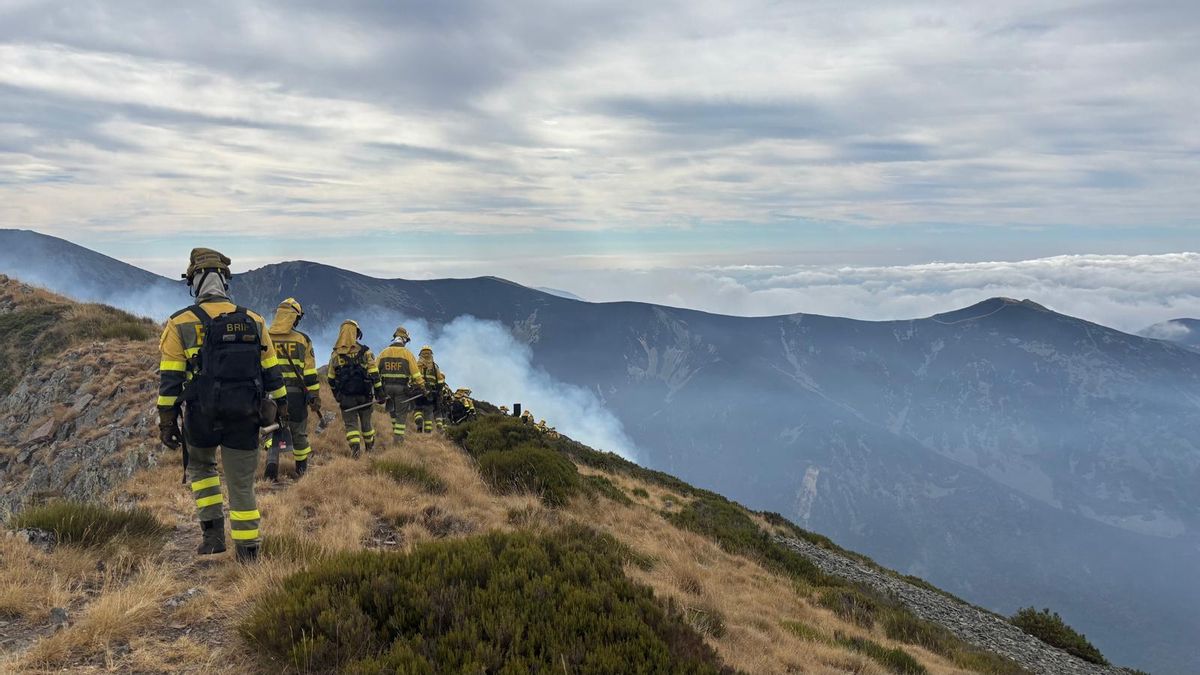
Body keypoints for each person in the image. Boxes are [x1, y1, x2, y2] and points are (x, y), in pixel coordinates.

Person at [157, 248, 287, 563]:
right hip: (245, 413)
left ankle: (212, 537)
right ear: (225, 280)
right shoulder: (254, 320)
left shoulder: (179, 323)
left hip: (201, 416)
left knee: (202, 468)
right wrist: (281, 408)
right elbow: (272, 371)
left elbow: (170, 381)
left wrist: (167, 421)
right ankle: (248, 553)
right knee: (242, 484)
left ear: (194, 282)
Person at [265, 298, 320, 478]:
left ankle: (270, 471)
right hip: (295, 397)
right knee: (299, 433)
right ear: (295, 318)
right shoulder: (303, 340)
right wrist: (314, 396)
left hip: (269, 396)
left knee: (272, 431)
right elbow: (310, 373)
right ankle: (301, 471)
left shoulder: (264, 337)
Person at [327, 320, 383, 457]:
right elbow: (374, 373)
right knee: (366, 424)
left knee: (351, 425)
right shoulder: (366, 352)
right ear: (357, 334)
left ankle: (355, 450)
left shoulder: (335, 355)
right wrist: (379, 392)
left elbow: (330, 378)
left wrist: (337, 395)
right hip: (365, 395)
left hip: (346, 398)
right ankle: (369, 448)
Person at [377, 326, 424, 443]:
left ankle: (395, 434)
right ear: (404, 339)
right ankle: (398, 442)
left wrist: (377, 388)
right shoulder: (407, 354)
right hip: (402, 389)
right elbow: (416, 375)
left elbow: (374, 371)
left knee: (392, 413)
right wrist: (422, 387)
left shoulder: (383, 353)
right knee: (401, 416)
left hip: (386, 388)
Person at [415, 345, 447, 434]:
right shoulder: (434, 366)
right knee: (428, 411)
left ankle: (419, 424)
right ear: (431, 354)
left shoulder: (416, 365)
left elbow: (412, 377)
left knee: (418, 409)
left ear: (420, 354)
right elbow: (440, 380)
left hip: (418, 390)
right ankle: (427, 432)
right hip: (431, 393)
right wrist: (438, 390)